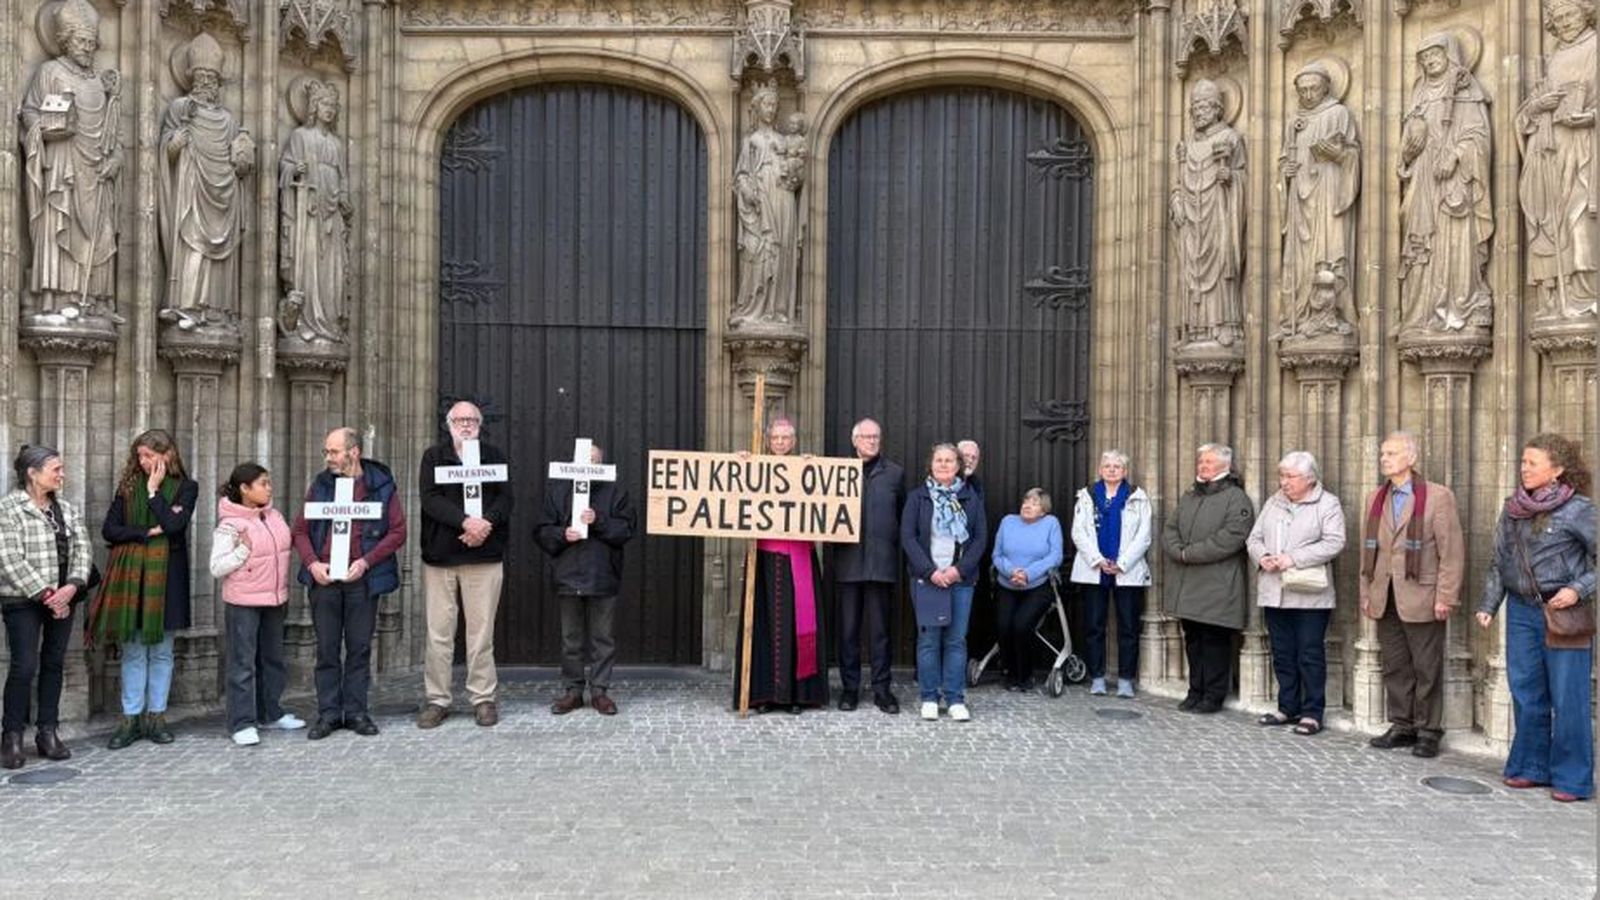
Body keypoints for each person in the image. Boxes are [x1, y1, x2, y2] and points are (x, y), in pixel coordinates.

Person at [1476, 434, 1596, 802]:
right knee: (1526, 691)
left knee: (1569, 697)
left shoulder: (1579, 509)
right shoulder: (1513, 508)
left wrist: (1578, 589)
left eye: (1532, 463)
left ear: (1557, 470)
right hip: (1521, 611)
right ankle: (1531, 766)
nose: (1524, 468)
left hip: (1563, 612)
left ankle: (1573, 779)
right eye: (1523, 462)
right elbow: (1499, 561)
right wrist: (1488, 605)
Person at [292, 427, 407, 740]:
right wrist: (312, 563)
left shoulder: (380, 485)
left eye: (334, 451)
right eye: (326, 452)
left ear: (353, 452)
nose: (328, 457)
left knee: (359, 648)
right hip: (325, 578)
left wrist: (366, 562)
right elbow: (300, 530)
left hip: (362, 580)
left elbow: (397, 531)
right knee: (327, 649)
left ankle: (356, 712)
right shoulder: (321, 485)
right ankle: (328, 714)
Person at [89, 429, 198, 749]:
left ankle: (156, 717)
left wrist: (153, 493)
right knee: (134, 651)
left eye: (149, 455)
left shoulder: (186, 487)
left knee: (162, 651)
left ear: (167, 454)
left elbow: (175, 526)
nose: (143, 461)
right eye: (139, 456)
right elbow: (110, 529)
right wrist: (147, 532)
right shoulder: (127, 486)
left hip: (167, 581)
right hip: (131, 579)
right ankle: (131, 719)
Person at [1358, 431, 1465, 759]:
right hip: (1385, 594)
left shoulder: (1437, 496)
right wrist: (1366, 592)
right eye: (1382, 454)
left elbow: (1451, 552)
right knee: (1395, 664)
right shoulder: (1376, 498)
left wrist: (1446, 596)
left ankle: (1428, 730)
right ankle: (1402, 725)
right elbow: (1368, 553)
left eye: (1391, 453)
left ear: (1411, 458)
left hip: (1423, 594)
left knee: (1426, 666)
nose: (1384, 459)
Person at [416, 401, 513, 729]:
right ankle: (437, 699)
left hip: (484, 556)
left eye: (472, 419)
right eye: (460, 420)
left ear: (480, 424)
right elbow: (430, 499)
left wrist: (485, 523)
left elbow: (505, 498)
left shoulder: (494, 456)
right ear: (449, 424)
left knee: (481, 632)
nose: (466, 425)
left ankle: (483, 698)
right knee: (439, 633)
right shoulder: (433, 457)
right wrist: (465, 522)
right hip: (441, 557)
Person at [0, 445, 91, 769]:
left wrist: (72, 586)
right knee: (24, 665)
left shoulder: (66, 509)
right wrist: (48, 594)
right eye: (56, 469)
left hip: (64, 597)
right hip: (22, 599)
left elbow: (83, 549)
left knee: (54, 662)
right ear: (32, 473)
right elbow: (9, 558)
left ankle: (47, 732)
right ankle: (11, 736)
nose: (62, 475)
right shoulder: (8, 508)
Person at [1246, 451, 1346, 736]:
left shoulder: (1327, 503)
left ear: (1309, 478)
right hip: (1274, 590)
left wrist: (1292, 558)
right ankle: (1287, 707)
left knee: (1309, 653)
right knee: (1282, 653)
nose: (1284, 482)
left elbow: (1335, 542)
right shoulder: (1274, 502)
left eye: (1290, 476)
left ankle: (1312, 712)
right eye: (1282, 475)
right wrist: (1263, 557)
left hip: (1309, 594)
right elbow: (1254, 538)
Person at [732, 417, 828, 713]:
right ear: (767, 440)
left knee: (798, 622)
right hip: (764, 557)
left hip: (799, 556)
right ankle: (765, 695)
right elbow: (730, 491)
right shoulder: (755, 467)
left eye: (786, 437)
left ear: (794, 441)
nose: (781, 442)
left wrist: (815, 468)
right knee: (763, 624)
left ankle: (797, 695)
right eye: (776, 438)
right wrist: (738, 463)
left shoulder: (806, 468)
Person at [536, 442, 635, 716]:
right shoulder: (558, 493)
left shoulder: (616, 493)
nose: (589, 465)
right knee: (571, 639)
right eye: (584, 459)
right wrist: (562, 534)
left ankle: (600, 692)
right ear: (573, 463)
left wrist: (598, 520)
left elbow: (626, 530)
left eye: (594, 460)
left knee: (603, 638)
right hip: (568, 575)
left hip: (603, 575)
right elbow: (541, 531)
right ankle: (574, 691)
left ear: (601, 465)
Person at [211, 463, 303, 747]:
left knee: (272, 659)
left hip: (274, 598)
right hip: (244, 603)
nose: (269, 488)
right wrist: (243, 550)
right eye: (263, 483)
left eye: (269, 482)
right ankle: (241, 723)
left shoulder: (274, 516)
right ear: (244, 488)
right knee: (243, 664)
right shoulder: (229, 525)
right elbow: (216, 566)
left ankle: (270, 714)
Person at [1162, 443, 1254, 714]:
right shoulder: (1190, 494)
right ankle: (1195, 691)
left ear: (1225, 466)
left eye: (1209, 462)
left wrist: (1189, 553)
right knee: (1193, 640)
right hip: (1187, 582)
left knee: (1214, 642)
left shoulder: (1236, 498)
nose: (1202, 466)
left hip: (1217, 584)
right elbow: (1170, 528)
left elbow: (1232, 537)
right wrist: (1177, 549)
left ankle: (1213, 696)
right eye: (1201, 461)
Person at [902, 442, 989, 722]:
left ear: (958, 466)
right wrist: (930, 572)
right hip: (927, 579)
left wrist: (958, 570)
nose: (943, 464)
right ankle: (929, 696)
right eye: (938, 460)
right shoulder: (917, 498)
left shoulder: (970, 498)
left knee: (956, 640)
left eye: (949, 460)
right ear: (931, 465)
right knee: (928, 640)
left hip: (960, 580)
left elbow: (980, 539)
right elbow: (908, 538)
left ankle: (954, 698)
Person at [831, 417, 905, 714]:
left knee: (880, 632)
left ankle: (882, 690)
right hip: (848, 563)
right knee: (848, 631)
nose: (872, 441)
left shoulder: (895, 474)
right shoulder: (837, 472)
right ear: (855, 441)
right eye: (866, 436)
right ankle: (850, 689)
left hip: (881, 564)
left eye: (876, 436)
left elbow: (901, 515)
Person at [1069, 449, 1153, 698]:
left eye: (1117, 466)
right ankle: (1097, 677)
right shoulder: (1087, 495)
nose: (1112, 470)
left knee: (1128, 627)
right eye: (1107, 466)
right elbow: (1078, 532)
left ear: (1125, 471)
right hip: (1094, 570)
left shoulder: (1138, 497)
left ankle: (1126, 679)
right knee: (1094, 626)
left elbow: (1144, 536)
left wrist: (1123, 563)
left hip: (1127, 571)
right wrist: (1097, 560)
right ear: (1100, 469)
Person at [992, 488, 1063, 693]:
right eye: (1026, 501)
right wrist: (1011, 571)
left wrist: (1027, 574)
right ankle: (1008, 672)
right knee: (1004, 626)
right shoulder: (1008, 522)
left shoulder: (1051, 524)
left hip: (1038, 585)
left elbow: (1055, 556)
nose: (1027, 505)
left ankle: (1024, 675)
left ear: (1044, 510)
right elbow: (997, 555)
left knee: (1021, 625)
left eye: (1034, 503)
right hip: (1008, 583)